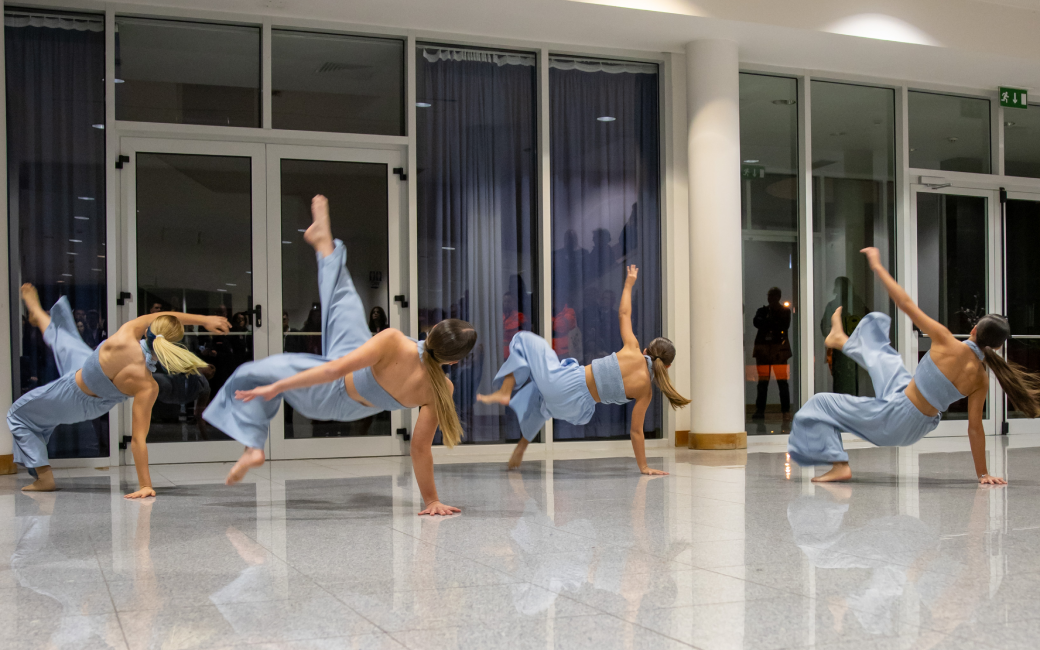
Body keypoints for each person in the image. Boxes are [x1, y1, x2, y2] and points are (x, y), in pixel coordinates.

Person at [204, 195, 478, 515]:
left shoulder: (393, 340)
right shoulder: (441, 389)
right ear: (454, 361)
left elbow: (332, 372)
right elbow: (420, 450)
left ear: (431, 330)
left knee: (254, 372)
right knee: (344, 299)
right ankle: (323, 242)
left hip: (332, 394)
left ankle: (253, 447)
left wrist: (276, 386)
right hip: (352, 363)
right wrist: (432, 500)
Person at [789, 247, 1040, 484]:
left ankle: (839, 465)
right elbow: (975, 428)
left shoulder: (946, 340)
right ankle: (841, 340)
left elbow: (905, 303)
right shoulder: (981, 379)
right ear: (996, 347)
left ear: (973, 329)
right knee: (888, 361)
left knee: (821, 402)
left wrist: (877, 265)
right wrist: (983, 473)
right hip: (916, 423)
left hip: (895, 417)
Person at [8, 284, 229, 496]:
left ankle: (43, 476)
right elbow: (138, 440)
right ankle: (38, 314)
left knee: (18, 414)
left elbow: (162, 318)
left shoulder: (127, 333)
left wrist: (204, 320)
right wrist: (145, 485)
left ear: (149, 331)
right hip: (88, 379)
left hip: (74, 393)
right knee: (64, 340)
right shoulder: (147, 384)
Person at [478, 265, 690, 473]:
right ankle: (522, 445)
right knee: (544, 406)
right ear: (668, 366)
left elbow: (624, 313)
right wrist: (643, 467)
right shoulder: (646, 392)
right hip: (577, 409)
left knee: (524, 340)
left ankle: (506, 390)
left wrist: (628, 283)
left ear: (646, 349)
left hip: (565, 383)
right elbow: (636, 432)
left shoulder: (633, 349)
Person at [751, 287, 792, 421]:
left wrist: (769, 322)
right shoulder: (762, 311)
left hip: (778, 351)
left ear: (778, 297)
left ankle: (785, 411)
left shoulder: (784, 311)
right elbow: (757, 322)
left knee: (782, 382)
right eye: (769, 296)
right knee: (763, 383)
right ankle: (760, 410)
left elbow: (783, 325)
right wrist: (770, 321)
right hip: (764, 351)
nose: (770, 298)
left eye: (773, 296)